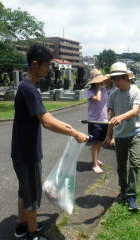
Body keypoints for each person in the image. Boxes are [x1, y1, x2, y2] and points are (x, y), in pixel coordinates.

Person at [11, 43, 88, 240]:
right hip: (28, 153)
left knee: (24, 190)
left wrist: (69, 128)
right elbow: (46, 122)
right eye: (47, 65)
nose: (48, 69)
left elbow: (44, 115)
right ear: (35, 64)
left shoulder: (27, 86)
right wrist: (74, 134)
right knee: (32, 195)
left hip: (20, 150)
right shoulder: (29, 89)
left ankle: (22, 225)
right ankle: (32, 233)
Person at [104, 62, 140, 212]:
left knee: (134, 163)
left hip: (135, 133)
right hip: (120, 136)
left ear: (126, 77)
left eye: (117, 79)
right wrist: (109, 135)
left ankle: (132, 196)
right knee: (121, 166)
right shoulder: (113, 95)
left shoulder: (136, 92)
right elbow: (111, 117)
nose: (114, 82)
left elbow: (135, 111)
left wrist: (120, 118)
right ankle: (123, 189)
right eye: (113, 79)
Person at [86, 69, 109, 174]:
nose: (101, 82)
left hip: (104, 119)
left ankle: (95, 159)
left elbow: (105, 103)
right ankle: (94, 164)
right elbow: (98, 99)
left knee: (100, 142)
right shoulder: (89, 91)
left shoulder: (104, 90)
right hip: (94, 121)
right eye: (98, 80)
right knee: (95, 143)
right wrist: (98, 87)